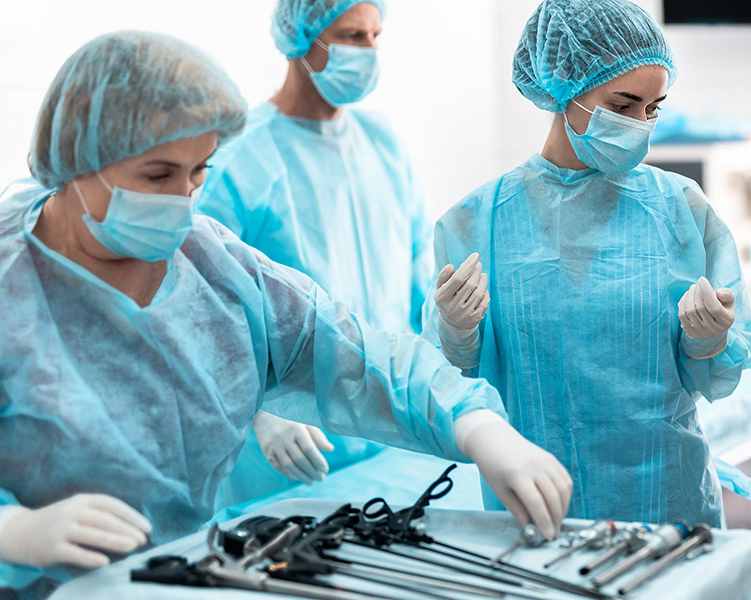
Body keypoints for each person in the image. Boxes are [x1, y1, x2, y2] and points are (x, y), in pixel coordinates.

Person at [0, 31, 570, 599]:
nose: (183, 198)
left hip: (181, 580)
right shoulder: (12, 289)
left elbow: (357, 356)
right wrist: (12, 533)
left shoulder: (213, 264)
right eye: (157, 175)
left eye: (199, 171)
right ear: (76, 158)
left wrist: (477, 428)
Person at [423, 0, 751, 529]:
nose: (641, 125)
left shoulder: (681, 208)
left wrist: (708, 340)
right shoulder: (477, 222)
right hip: (536, 502)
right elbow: (455, 386)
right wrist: (456, 332)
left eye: (653, 109)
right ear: (564, 90)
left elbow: (716, 372)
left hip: (666, 501)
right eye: (623, 106)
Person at [197, 0, 433, 506]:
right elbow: (199, 307)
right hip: (290, 450)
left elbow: (419, 285)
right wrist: (259, 407)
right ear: (300, 41)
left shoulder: (384, 143)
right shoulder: (240, 159)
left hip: (388, 433)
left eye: (375, 36)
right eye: (352, 35)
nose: (368, 51)